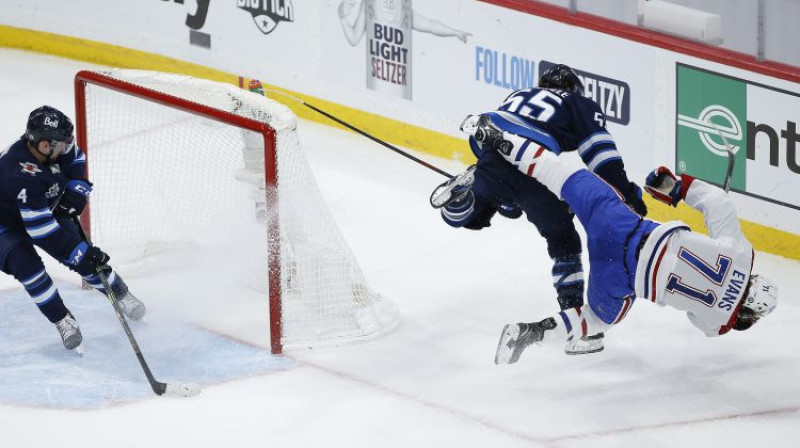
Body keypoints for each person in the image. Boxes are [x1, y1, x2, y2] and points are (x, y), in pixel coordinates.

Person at [460, 114, 780, 364]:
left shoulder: (742, 255)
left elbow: (718, 204)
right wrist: (739, 315)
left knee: (562, 175)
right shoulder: (717, 323)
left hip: (623, 227)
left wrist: (674, 189)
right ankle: (532, 332)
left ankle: (499, 137)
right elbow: (711, 322)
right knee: (597, 319)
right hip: (619, 277)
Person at [434, 64, 646, 355]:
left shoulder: (517, 94)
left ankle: (465, 198)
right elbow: (603, 158)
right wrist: (630, 197)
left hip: (493, 154)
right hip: (533, 163)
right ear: (573, 89)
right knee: (563, 239)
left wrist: (508, 199)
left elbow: (478, 138)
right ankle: (574, 318)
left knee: (474, 212)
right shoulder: (577, 103)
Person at [0, 106, 146, 352]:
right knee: (29, 269)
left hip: (41, 209)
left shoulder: (48, 148)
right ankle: (62, 319)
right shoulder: (20, 172)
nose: (66, 148)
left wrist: (76, 192)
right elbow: (43, 234)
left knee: (86, 261)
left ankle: (121, 294)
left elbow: (77, 158)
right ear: (45, 145)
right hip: (5, 224)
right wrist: (80, 249)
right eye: (61, 145)